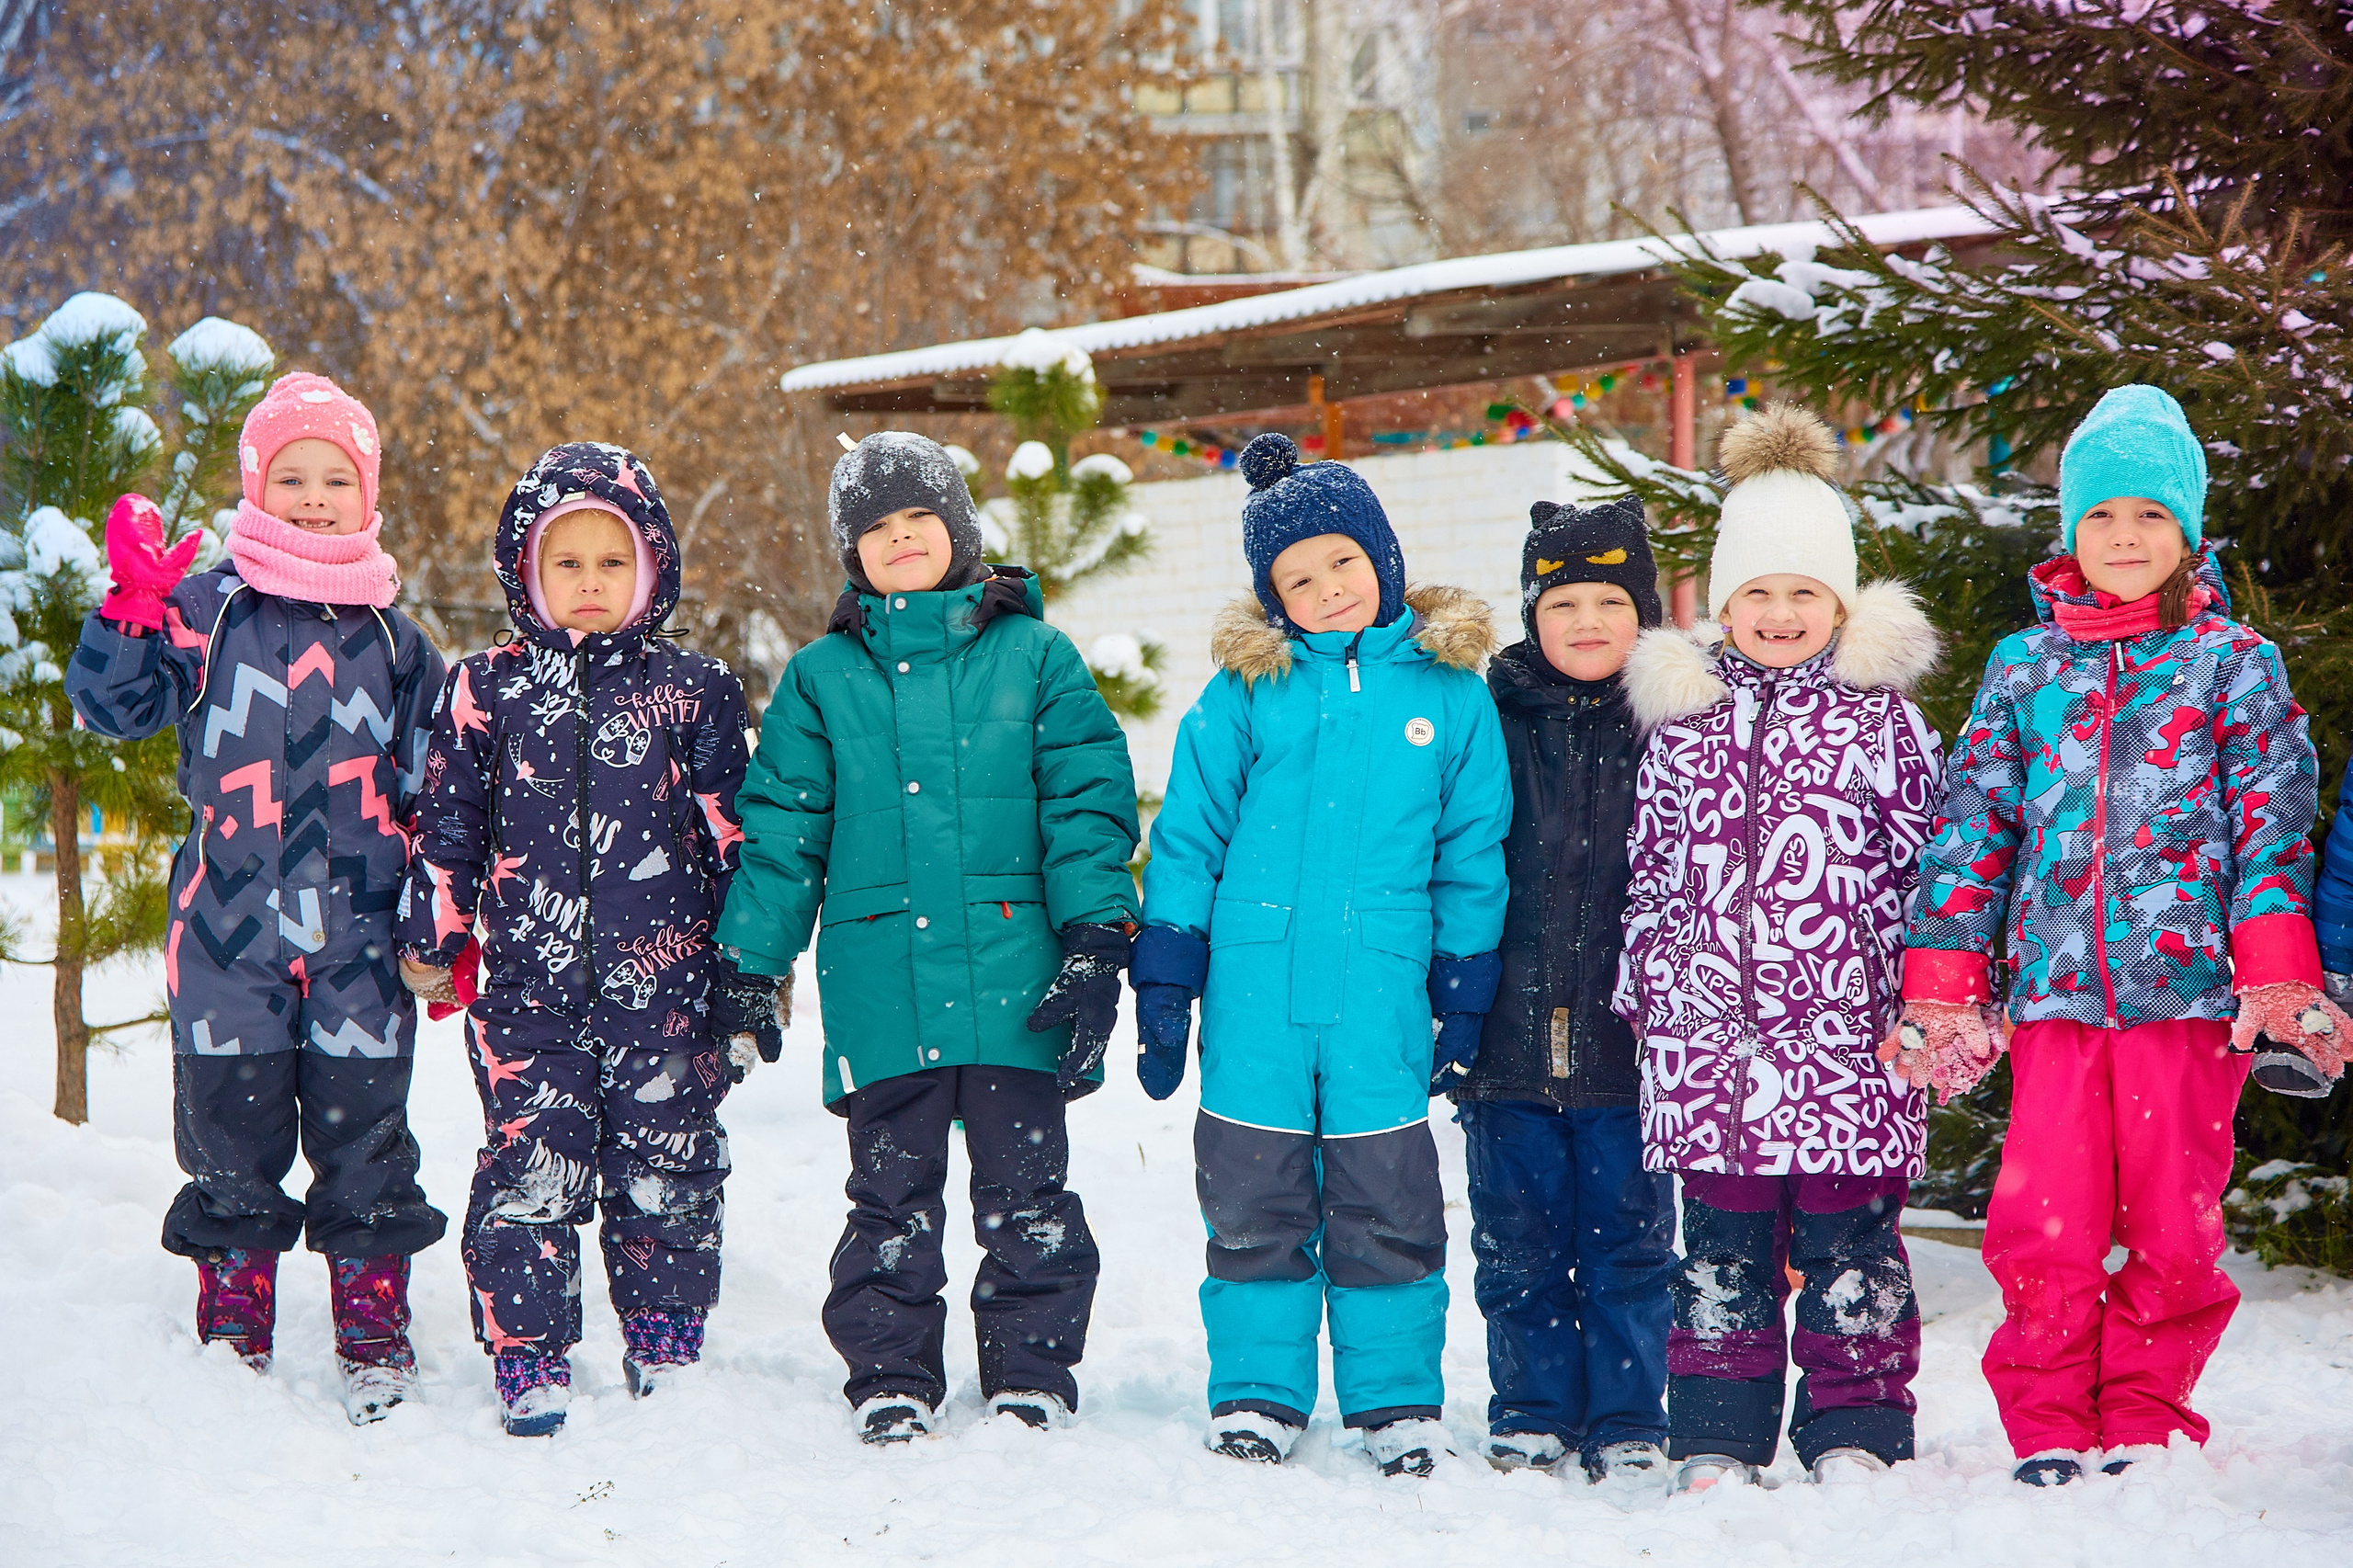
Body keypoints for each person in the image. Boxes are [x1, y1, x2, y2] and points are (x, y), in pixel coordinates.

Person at [1888, 384, 2348, 1486]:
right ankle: (2047, 1414)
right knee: (2042, 1220)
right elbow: (1972, 830)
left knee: (2174, 1227)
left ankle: (2144, 1407)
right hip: (2053, 996)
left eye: (2149, 513)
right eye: (2100, 514)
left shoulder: (2234, 662)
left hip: (2185, 998)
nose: (2125, 535)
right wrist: (1944, 981)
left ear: (2186, 529)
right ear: (2069, 531)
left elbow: (2271, 829)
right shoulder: (2022, 666)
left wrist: (2277, 976)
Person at [716, 431, 1139, 1445]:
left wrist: (1095, 936)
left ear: (959, 529)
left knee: (1027, 1190)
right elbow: (783, 831)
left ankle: (1031, 1368)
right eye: (876, 528)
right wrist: (751, 962)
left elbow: (1084, 803)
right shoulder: (820, 677)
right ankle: (891, 1371)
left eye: (920, 518)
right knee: (889, 1195)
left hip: (1016, 974)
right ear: (850, 552)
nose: (901, 538)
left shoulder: (1035, 656)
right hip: (882, 981)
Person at [66, 372, 446, 1425]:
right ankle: (236, 1298)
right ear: (254, 487)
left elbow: (439, 784)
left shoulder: (396, 638)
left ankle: (371, 1310)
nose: (314, 495)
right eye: (291, 476)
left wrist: (441, 910)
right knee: (228, 1125)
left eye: (336, 477)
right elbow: (112, 707)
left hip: (360, 933)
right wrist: (128, 615)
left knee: (366, 1127)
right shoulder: (206, 610)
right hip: (226, 928)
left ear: (367, 493)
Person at [1132, 432, 1511, 1478]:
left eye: (1343, 561)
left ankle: (1395, 1401)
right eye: (1298, 579)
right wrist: (1166, 972)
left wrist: (1464, 984)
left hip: (1380, 994)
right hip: (1253, 992)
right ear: (1273, 598)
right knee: (1252, 1202)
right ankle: (1259, 1392)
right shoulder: (1245, 692)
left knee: (1387, 1202)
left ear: (1383, 558)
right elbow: (1189, 838)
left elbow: (1470, 851)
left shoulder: (1450, 694)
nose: (1328, 588)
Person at [1614, 403, 1942, 1490]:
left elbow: (1929, 871)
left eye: (1805, 591)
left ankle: (1857, 1424)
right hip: (1710, 1052)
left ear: (1839, 602)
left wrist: (1927, 1000)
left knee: (1854, 1255)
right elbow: (1650, 873)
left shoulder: (1881, 720)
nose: (1780, 612)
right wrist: (1651, 991)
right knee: (1720, 1258)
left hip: (1849, 1048)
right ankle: (1717, 1430)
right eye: (1757, 590)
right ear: (1722, 603)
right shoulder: (1682, 728)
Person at [398, 442, 756, 1437]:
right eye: (568, 562)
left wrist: (750, 972)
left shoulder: (696, 689)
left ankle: (666, 1332)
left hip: (668, 988)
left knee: (668, 1162)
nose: (590, 581)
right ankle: (529, 1349)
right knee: (531, 1167)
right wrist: (436, 934)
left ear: (652, 568)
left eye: (612, 560)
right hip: (529, 990)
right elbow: (449, 826)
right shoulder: (487, 689)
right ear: (526, 570)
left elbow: (735, 838)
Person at [1449, 496, 1677, 1486]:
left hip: (1633, 1044)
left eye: (1611, 601)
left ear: (1646, 613)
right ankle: (1533, 1407)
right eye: (1563, 603)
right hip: (1505, 1036)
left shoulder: (1680, 720)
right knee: (1517, 1243)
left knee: (1632, 1245)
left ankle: (1628, 1413)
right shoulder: (1487, 716)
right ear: (1530, 613)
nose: (1588, 621)